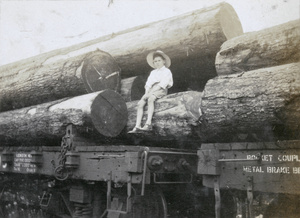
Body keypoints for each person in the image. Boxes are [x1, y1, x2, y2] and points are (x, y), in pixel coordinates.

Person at [128, 50, 173, 133]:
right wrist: (146, 93)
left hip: (161, 89)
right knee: (140, 103)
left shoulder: (167, 71)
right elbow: (148, 84)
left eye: (159, 60)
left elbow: (163, 83)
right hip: (151, 89)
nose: (157, 63)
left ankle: (148, 124)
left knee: (151, 99)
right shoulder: (153, 72)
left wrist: (150, 93)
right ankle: (137, 126)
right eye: (155, 61)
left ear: (163, 61)